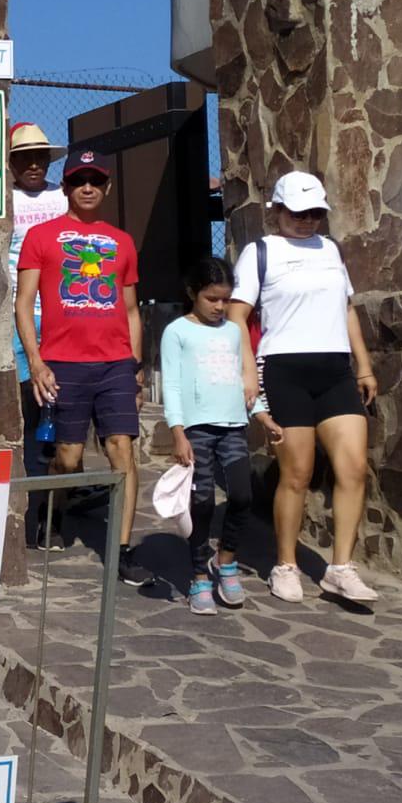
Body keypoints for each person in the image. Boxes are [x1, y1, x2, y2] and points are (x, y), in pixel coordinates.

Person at [227, 171, 381, 603]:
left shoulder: (330, 249)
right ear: (276, 210)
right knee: (297, 474)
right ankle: (286, 565)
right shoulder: (260, 252)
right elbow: (238, 316)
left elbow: (346, 308)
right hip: (283, 371)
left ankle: (340, 568)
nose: (308, 220)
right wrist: (246, 372)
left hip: (335, 371)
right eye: (298, 212)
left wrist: (364, 366)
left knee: (352, 469)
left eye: (316, 212)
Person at [16, 149, 151, 587]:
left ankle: (123, 550)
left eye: (95, 181)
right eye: (79, 181)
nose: (87, 188)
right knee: (68, 458)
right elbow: (23, 303)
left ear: (106, 188)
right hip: (63, 362)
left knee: (121, 452)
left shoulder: (123, 242)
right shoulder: (42, 237)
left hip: (114, 363)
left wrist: (135, 364)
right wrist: (36, 361)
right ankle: (54, 511)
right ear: (67, 188)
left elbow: (131, 309)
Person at [163, 257, 284, 615]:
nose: (220, 307)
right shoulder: (177, 332)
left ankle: (225, 561)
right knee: (200, 504)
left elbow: (246, 383)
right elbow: (170, 383)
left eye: (225, 299)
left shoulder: (234, 331)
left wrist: (262, 416)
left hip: (233, 427)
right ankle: (199, 575)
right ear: (192, 293)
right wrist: (177, 432)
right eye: (211, 299)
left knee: (243, 497)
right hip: (196, 429)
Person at [8, 123, 70, 551]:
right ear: (10, 162)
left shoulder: (64, 198)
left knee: (64, 416)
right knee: (32, 410)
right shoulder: (1, 199)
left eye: (40, 155)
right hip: (20, 314)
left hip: (67, 315)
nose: (33, 163)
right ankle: (34, 519)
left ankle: (56, 513)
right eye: (24, 156)